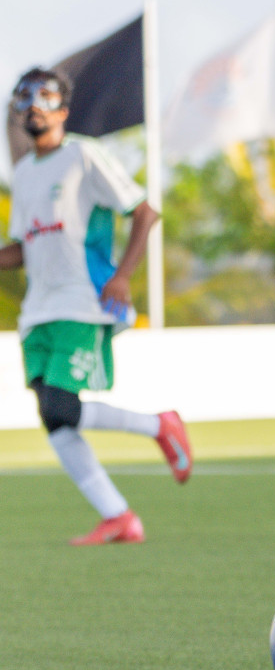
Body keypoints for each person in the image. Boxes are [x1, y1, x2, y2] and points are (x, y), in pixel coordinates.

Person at [0, 68, 193, 545]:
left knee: (60, 404)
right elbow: (21, 248)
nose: (33, 107)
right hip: (37, 311)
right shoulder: (22, 174)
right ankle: (119, 517)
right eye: (24, 98)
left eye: (45, 98)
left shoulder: (85, 156)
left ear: (63, 110)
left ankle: (159, 425)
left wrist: (124, 275)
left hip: (82, 299)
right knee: (54, 418)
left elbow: (144, 212)